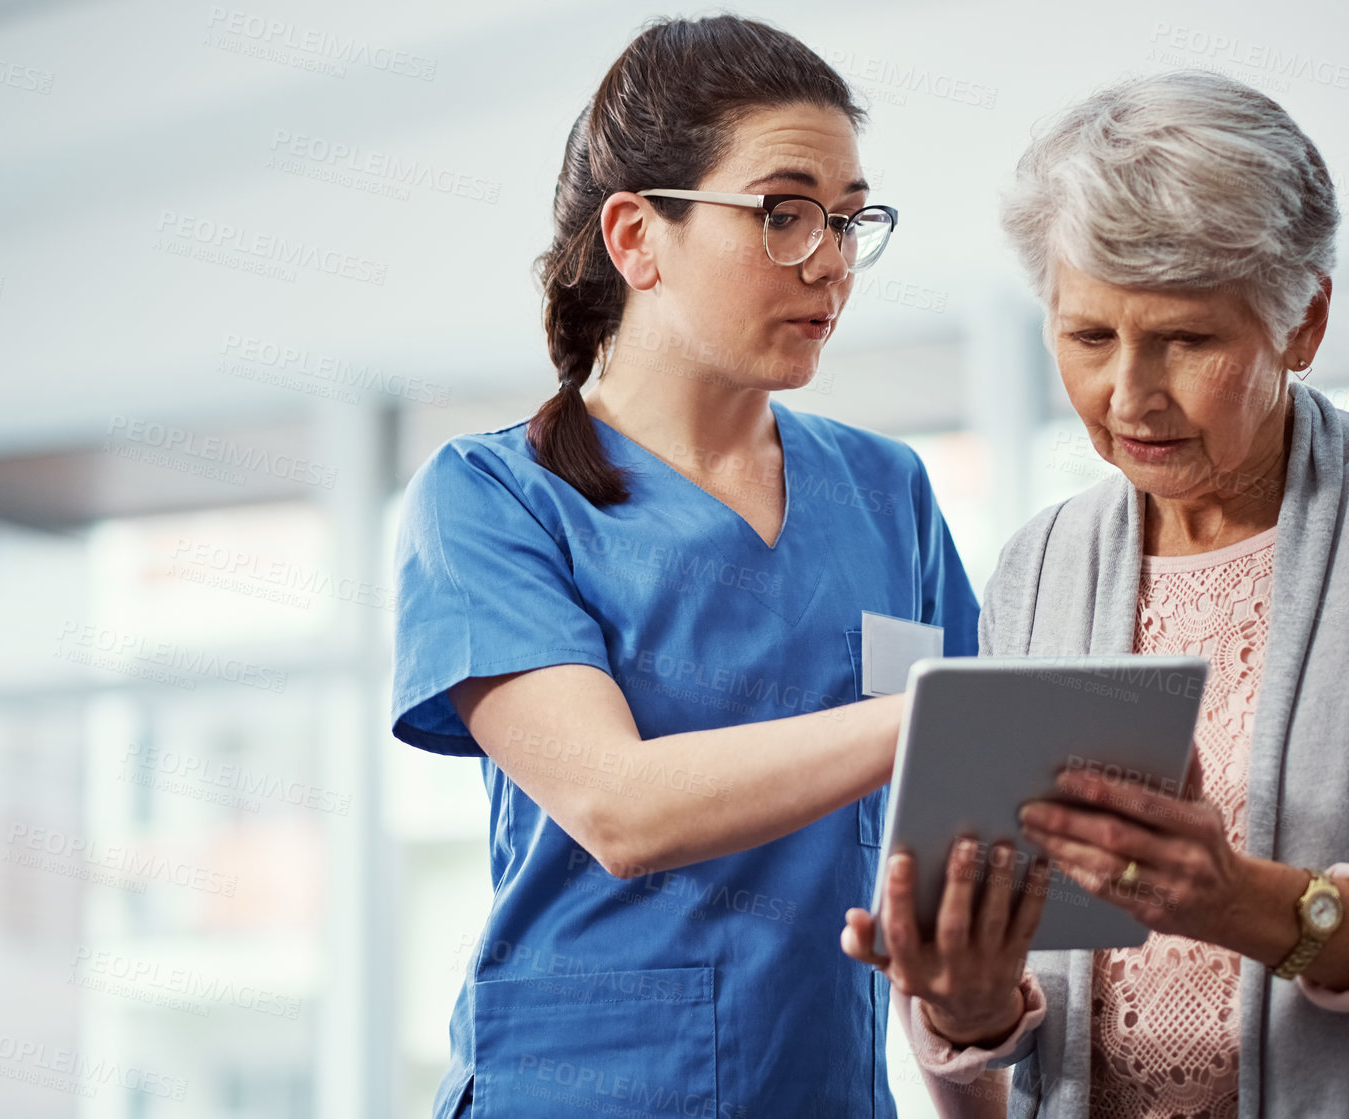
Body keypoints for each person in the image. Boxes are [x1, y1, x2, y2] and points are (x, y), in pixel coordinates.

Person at [842, 69, 1349, 1117]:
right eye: (1088, 337)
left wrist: (1250, 906)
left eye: (1186, 340)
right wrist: (966, 1006)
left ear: (1301, 323)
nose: (1128, 396)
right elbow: (1018, 1022)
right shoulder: (1037, 565)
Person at [390, 16, 994, 1118]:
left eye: (850, 220)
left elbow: (950, 843)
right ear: (635, 238)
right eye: (782, 213)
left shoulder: (884, 494)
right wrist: (941, 714)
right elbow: (619, 809)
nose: (831, 261)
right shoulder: (490, 499)